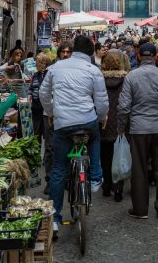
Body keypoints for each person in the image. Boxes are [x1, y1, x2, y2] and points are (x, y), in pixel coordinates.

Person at [39, 36, 109, 237]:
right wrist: (102, 117)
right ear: (89, 53)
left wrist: (51, 112)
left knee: (60, 168)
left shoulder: (56, 68)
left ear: (72, 49)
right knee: (95, 138)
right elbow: (102, 101)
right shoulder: (93, 70)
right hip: (87, 121)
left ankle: (55, 218)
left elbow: (44, 95)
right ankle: (95, 177)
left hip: (63, 124)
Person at [117, 43, 158, 220]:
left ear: (138, 56)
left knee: (139, 169)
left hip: (138, 129)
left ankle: (140, 209)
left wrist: (121, 126)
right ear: (154, 57)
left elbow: (123, 106)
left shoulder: (131, 77)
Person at [100, 53, 128, 202]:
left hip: (104, 123)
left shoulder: (99, 79)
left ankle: (106, 186)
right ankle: (118, 189)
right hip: (119, 123)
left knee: (105, 158)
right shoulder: (125, 80)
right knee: (119, 156)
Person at [28, 52, 53, 194]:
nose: (37, 64)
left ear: (45, 63)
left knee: (48, 141)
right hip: (36, 111)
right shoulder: (36, 75)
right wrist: (30, 95)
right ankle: (36, 164)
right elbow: (32, 89)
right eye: (37, 62)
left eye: (39, 62)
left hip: (47, 112)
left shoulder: (49, 75)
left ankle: (48, 168)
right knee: (36, 137)